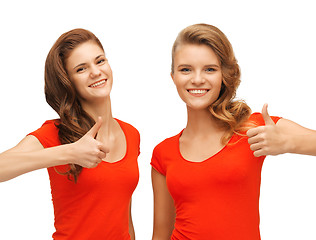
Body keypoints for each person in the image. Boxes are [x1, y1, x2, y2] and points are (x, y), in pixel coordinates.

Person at [151, 23, 316, 240]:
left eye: (210, 69)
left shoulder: (253, 128)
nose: (197, 79)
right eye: (185, 69)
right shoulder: (163, 152)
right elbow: (161, 232)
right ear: (173, 77)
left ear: (224, 75)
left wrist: (287, 143)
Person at [0, 28, 140, 240]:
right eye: (81, 69)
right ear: (68, 81)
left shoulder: (131, 134)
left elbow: (123, 213)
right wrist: (69, 153)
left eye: (100, 61)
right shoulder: (56, 133)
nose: (95, 72)